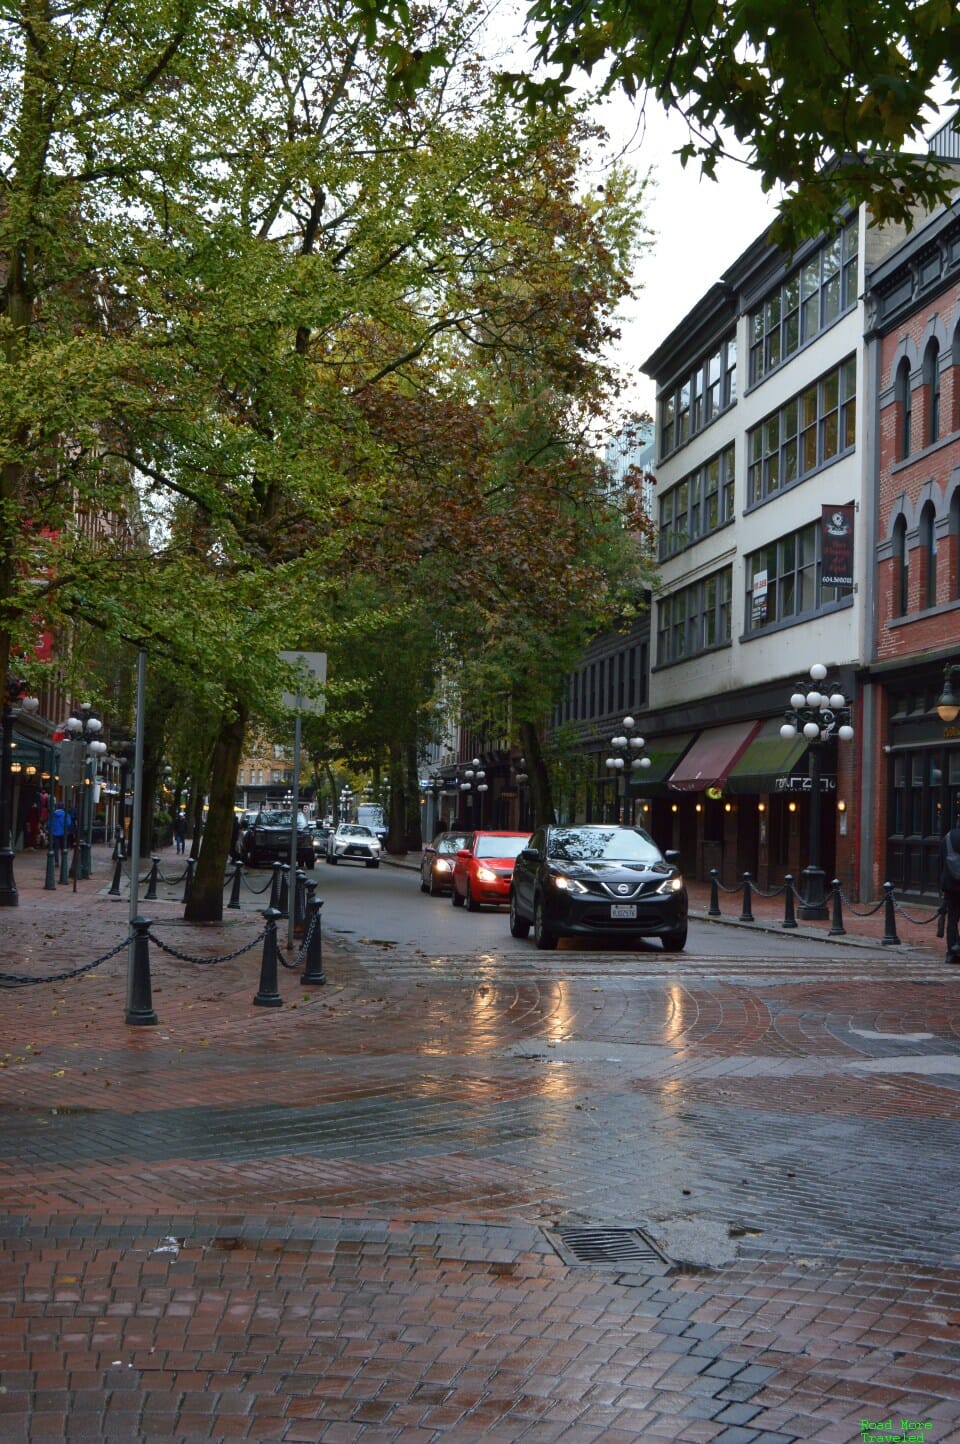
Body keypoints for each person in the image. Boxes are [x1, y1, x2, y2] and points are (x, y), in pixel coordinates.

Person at [939, 813, 960, 963]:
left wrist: (941, 885)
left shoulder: (947, 838)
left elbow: (941, 863)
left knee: (952, 920)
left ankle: (952, 953)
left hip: (950, 884)